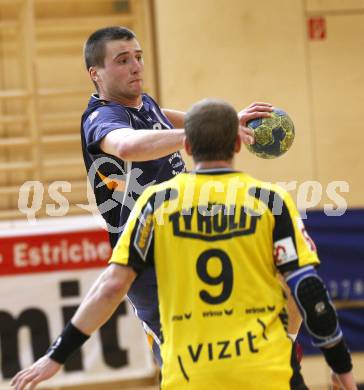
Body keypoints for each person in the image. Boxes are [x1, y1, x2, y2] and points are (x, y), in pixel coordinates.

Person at [11, 99, 356, 390]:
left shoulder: (154, 204)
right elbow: (307, 288)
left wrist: (56, 356)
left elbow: (111, 287)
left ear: (186, 147)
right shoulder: (271, 201)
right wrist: (340, 365)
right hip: (266, 370)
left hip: (191, 375)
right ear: (238, 145)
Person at [79, 25, 281, 363]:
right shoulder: (102, 117)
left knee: (217, 352)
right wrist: (192, 134)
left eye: (139, 57)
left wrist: (225, 121)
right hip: (149, 262)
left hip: (184, 244)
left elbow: (162, 117)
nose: (136, 66)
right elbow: (127, 146)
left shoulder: (140, 103)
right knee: (181, 361)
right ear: (95, 74)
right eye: (123, 60)